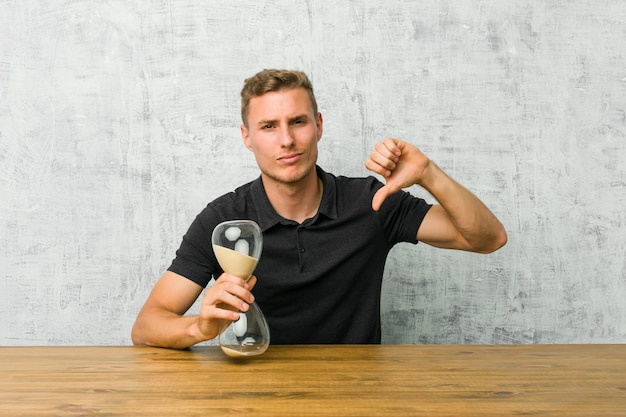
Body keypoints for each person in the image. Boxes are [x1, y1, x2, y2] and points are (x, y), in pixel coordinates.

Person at [131, 69, 507, 349]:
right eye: (268, 126)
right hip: (252, 393)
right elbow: (147, 326)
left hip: (358, 393)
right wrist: (201, 328)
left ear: (319, 125)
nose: (287, 140)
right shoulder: (224, 221)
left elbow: (488, 238)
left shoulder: (371, 202)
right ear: (247, 137)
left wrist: (427, 173)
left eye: (297, 122)